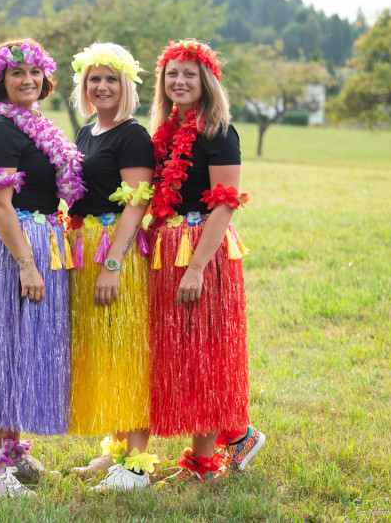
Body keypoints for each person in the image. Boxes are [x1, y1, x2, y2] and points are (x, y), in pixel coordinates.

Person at [0, 38, 86, 497]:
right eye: (17, 73)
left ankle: (13, 452)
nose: (28, 80)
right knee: (0, 348)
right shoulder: (0, 131)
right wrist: (27, 265)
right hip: (17, 246)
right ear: (1, 81)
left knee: (23, 346)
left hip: (44, 238)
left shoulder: (34, 124)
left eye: (35, 72)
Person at [147, 39, 265, 485]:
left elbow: (225, 204)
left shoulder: (219, 132)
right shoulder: (165, 132)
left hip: (203, 249)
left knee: (205, 351)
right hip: (167, 247)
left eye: (189, 74)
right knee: (179, 349)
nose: (179, 81)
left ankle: (203, 463)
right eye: (172, 74)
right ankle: (238, 434)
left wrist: (196, 267)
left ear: (207, 80)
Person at [64, 43, 157, 491]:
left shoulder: (132, 135)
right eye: (94, 79)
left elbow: (136, 205)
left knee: (127, 352)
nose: (102, 86)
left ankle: (137, 466)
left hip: (115, 252)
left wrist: (113, 264)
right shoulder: (87, 132)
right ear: (83, 85)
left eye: (111, 79)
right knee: (103, 350)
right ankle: (116, 450)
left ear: (126, 86)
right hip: (85, 250)